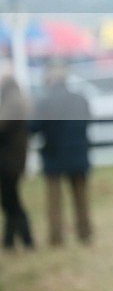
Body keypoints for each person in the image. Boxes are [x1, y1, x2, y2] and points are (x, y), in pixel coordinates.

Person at [29, 62, 92, 246]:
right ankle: (85, 233)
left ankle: (56, 238)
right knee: (81, 198)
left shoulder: (44, 103)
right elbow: (88, 121)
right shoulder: (80, 99)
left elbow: (33, 128)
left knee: (54, 201)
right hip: (78, 154)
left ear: (49, 80)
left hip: (54, 156)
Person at [0, 75, 35, 250]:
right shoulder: (16, 100)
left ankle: (26, 240)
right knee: (10, 200)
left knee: (11, 201)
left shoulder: (12, 102)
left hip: (9, 162)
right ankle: (9, 241)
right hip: (13, 160)